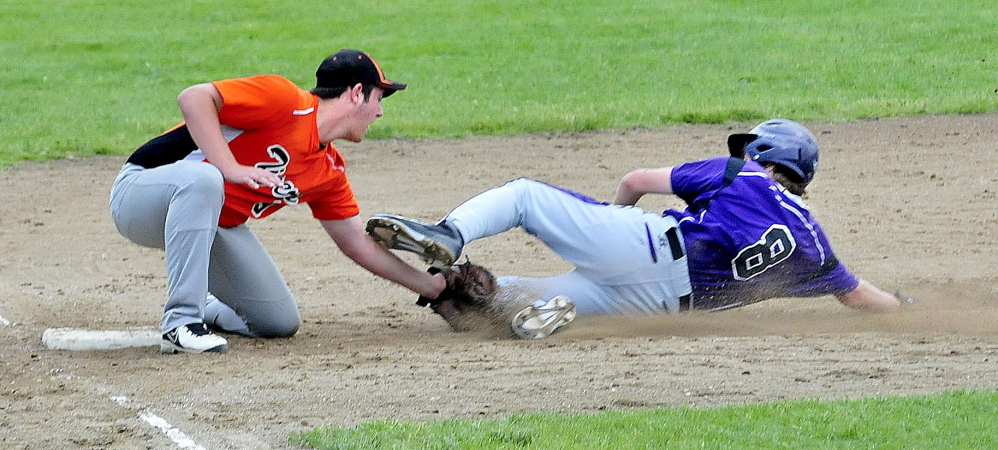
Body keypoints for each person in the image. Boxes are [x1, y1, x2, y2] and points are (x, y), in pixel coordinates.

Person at [366, 119, 902, 339]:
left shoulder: (738, 173)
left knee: (525, 196)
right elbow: (858, 297)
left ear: (763, 153)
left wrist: (606, 226)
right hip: (664, 307)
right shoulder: (812, 244)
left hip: (647, 248)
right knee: (524, 299)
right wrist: (904, 309)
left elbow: (635, 180)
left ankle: (449, 234)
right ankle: (500, 307)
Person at [110, 49, 448, 353]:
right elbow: (194, 97)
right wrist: (230, 167)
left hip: (209, 227)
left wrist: (434, 288)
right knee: (206, 177)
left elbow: (358, 244)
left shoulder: (328, 170)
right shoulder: (285, 100)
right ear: (357, 93)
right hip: (141, 195)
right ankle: (181, 322)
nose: (380, 112)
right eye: (379, 97)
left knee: (277, 321)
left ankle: (209, 306)